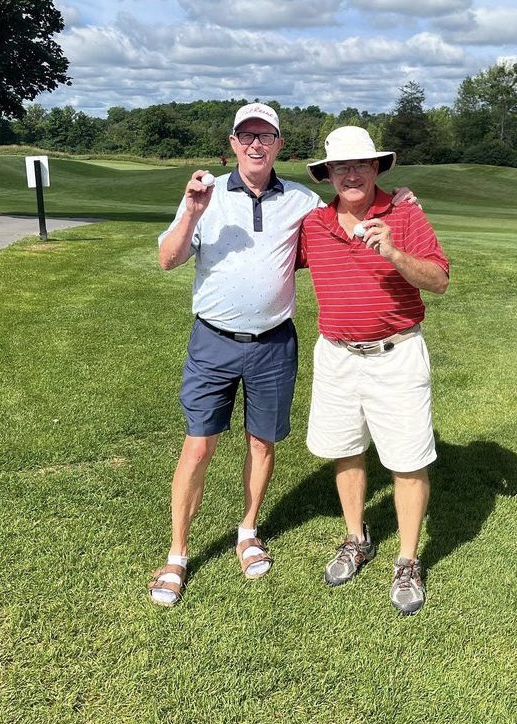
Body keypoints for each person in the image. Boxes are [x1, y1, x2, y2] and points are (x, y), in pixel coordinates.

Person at [149, 106, 414, 607]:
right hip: (213, 340)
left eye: (265, 136)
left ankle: (248, 532)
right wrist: (192, 212)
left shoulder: (301, 200)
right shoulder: (205, 194)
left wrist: (398, 202)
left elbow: (348, 215)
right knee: (198, 446)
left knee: (262, 443)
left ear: (278, 145)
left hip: (273, 342)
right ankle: (178, 554)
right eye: (246, 135)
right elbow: (168, 259)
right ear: (234, 143)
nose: (256, 144)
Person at [298, 126, 449, 615]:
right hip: (337, 356)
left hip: (396, 354)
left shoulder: (405, 214)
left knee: (407, 460)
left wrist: (394, 253)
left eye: (360, 164)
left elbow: (439, 280)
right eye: (341, 167)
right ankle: (355, 538)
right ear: (328, 174)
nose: (351, 174)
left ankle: (407, 560)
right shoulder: (314, 224)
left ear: (376, 167)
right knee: (346, 450)